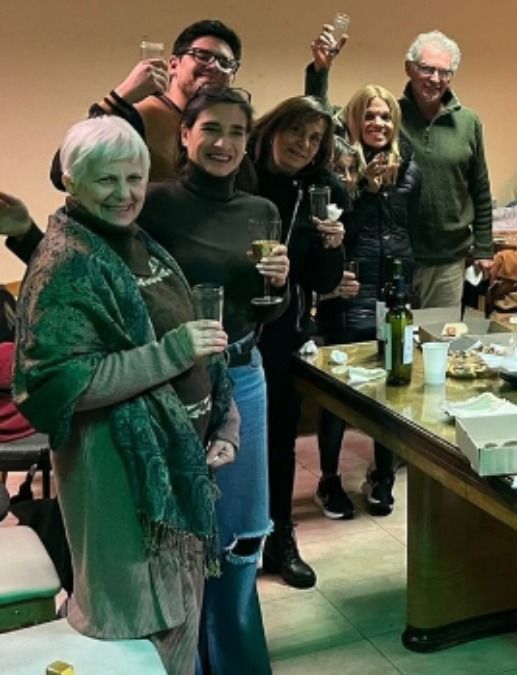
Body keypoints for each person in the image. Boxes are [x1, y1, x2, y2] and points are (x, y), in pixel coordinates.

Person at [14, 116, 238, 675]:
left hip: (174, 471)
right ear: (72, 182)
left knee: (178, 621)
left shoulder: (136, 242)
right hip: (118, 479)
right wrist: (171, 353)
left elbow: (194, 339)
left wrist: (221, 425)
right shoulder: (65, 263)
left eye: (135, 178)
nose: (125, 193)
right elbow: (54, 385)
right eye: (106, 180)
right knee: (136, 633)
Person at [137, 86, 288, 674]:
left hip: (244, 374)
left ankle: (240, 660)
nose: (224, 143)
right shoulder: (150, 204)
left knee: (242, 534)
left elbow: (264, 310)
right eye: (211, 129)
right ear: (185, 134)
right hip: (171, 385)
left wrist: (277, 287)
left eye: (236, 132)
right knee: (180, 533)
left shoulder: (260, 211)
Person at [248, 95, 349, 589]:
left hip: (282, 334)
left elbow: (321, 278)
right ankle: (231, 544)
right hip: (229, 329)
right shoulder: (239, 175)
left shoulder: (319, 190)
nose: (304, 146)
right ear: (272, 127)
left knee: (280, 437)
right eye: (297, 132)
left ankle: (280, 538)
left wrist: (334, 244)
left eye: (315, 139)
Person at [314, 84, 421, 521]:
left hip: (394, 284)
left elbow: (408, 221)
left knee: (389, 385)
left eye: (386, 116)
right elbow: (343, 228)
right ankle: (329, 479)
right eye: (370, 116)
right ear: (356, 120)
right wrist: (367, 189)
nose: (379, 124)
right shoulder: (338, 167)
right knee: (339, 390)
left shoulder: (409, 165)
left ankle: (382, 476)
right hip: (350, 284)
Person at [49, 20, 244, 189]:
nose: (214, 67)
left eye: (226, 63)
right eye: (202, 55)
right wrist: (119, 98)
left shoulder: (233, 132)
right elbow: (63, 172)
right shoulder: (140, 117)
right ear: (174, 64)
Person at [399, 30, 494, 309]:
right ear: (409, 68)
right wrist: (320, 72)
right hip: (398, 256)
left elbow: (480, 189)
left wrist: (484, 247)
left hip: (449, 259)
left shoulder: (468, 122)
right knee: (395, 342)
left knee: (438, 342)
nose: (436, 79)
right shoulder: (389, 115)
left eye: (445, 72)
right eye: (427, 69)